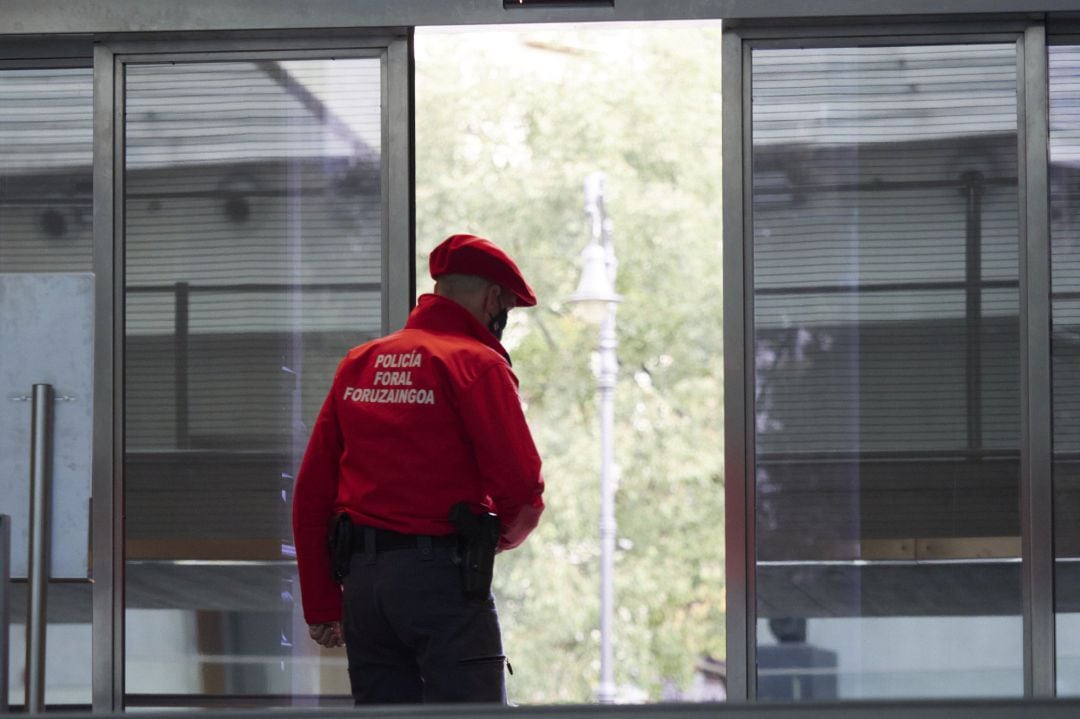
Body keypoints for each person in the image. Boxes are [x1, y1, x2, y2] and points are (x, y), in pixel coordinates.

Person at [291, 233, 545, 705]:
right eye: (505, 307)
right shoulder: (475, 364)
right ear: (493, 299)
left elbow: (312, 492)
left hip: (364, 588)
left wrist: (323, 602)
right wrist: (495, 540)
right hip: (441, 583)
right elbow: (522, 487)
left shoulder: (360, 363)